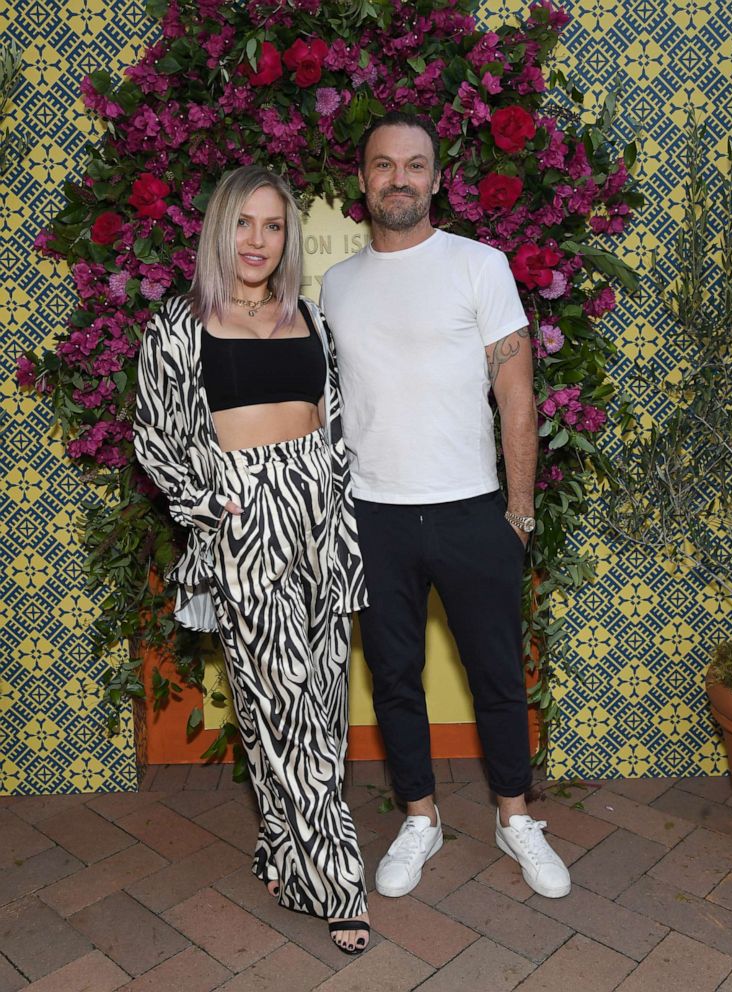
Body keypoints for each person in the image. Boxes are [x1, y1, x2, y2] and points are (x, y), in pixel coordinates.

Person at [320, 112, 571, 901]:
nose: (400, 178)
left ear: (437, 178)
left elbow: (516, 392)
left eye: (415, 165)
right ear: (362, 180)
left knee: (496, 675)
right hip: (373, 516)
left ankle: (513, 816)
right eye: (384, 165)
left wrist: (519, 510)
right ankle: (420, 818)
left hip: (472, 511)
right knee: (394, 678)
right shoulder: (336, 285)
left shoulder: (479, 265)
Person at [134, 165, 370, 953]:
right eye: (244, 224)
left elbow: (333, 417)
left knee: (318, 704)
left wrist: (333, 489)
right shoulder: (178, 324)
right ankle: (335, 881)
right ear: (218, 230)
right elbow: (155, 438)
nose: (257, 241)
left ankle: (279, 843)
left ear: (287, 237)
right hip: (245, 523)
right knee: (282, 699)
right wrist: (209, 507)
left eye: (272, 226)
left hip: (320, 522)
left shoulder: (310, 316)